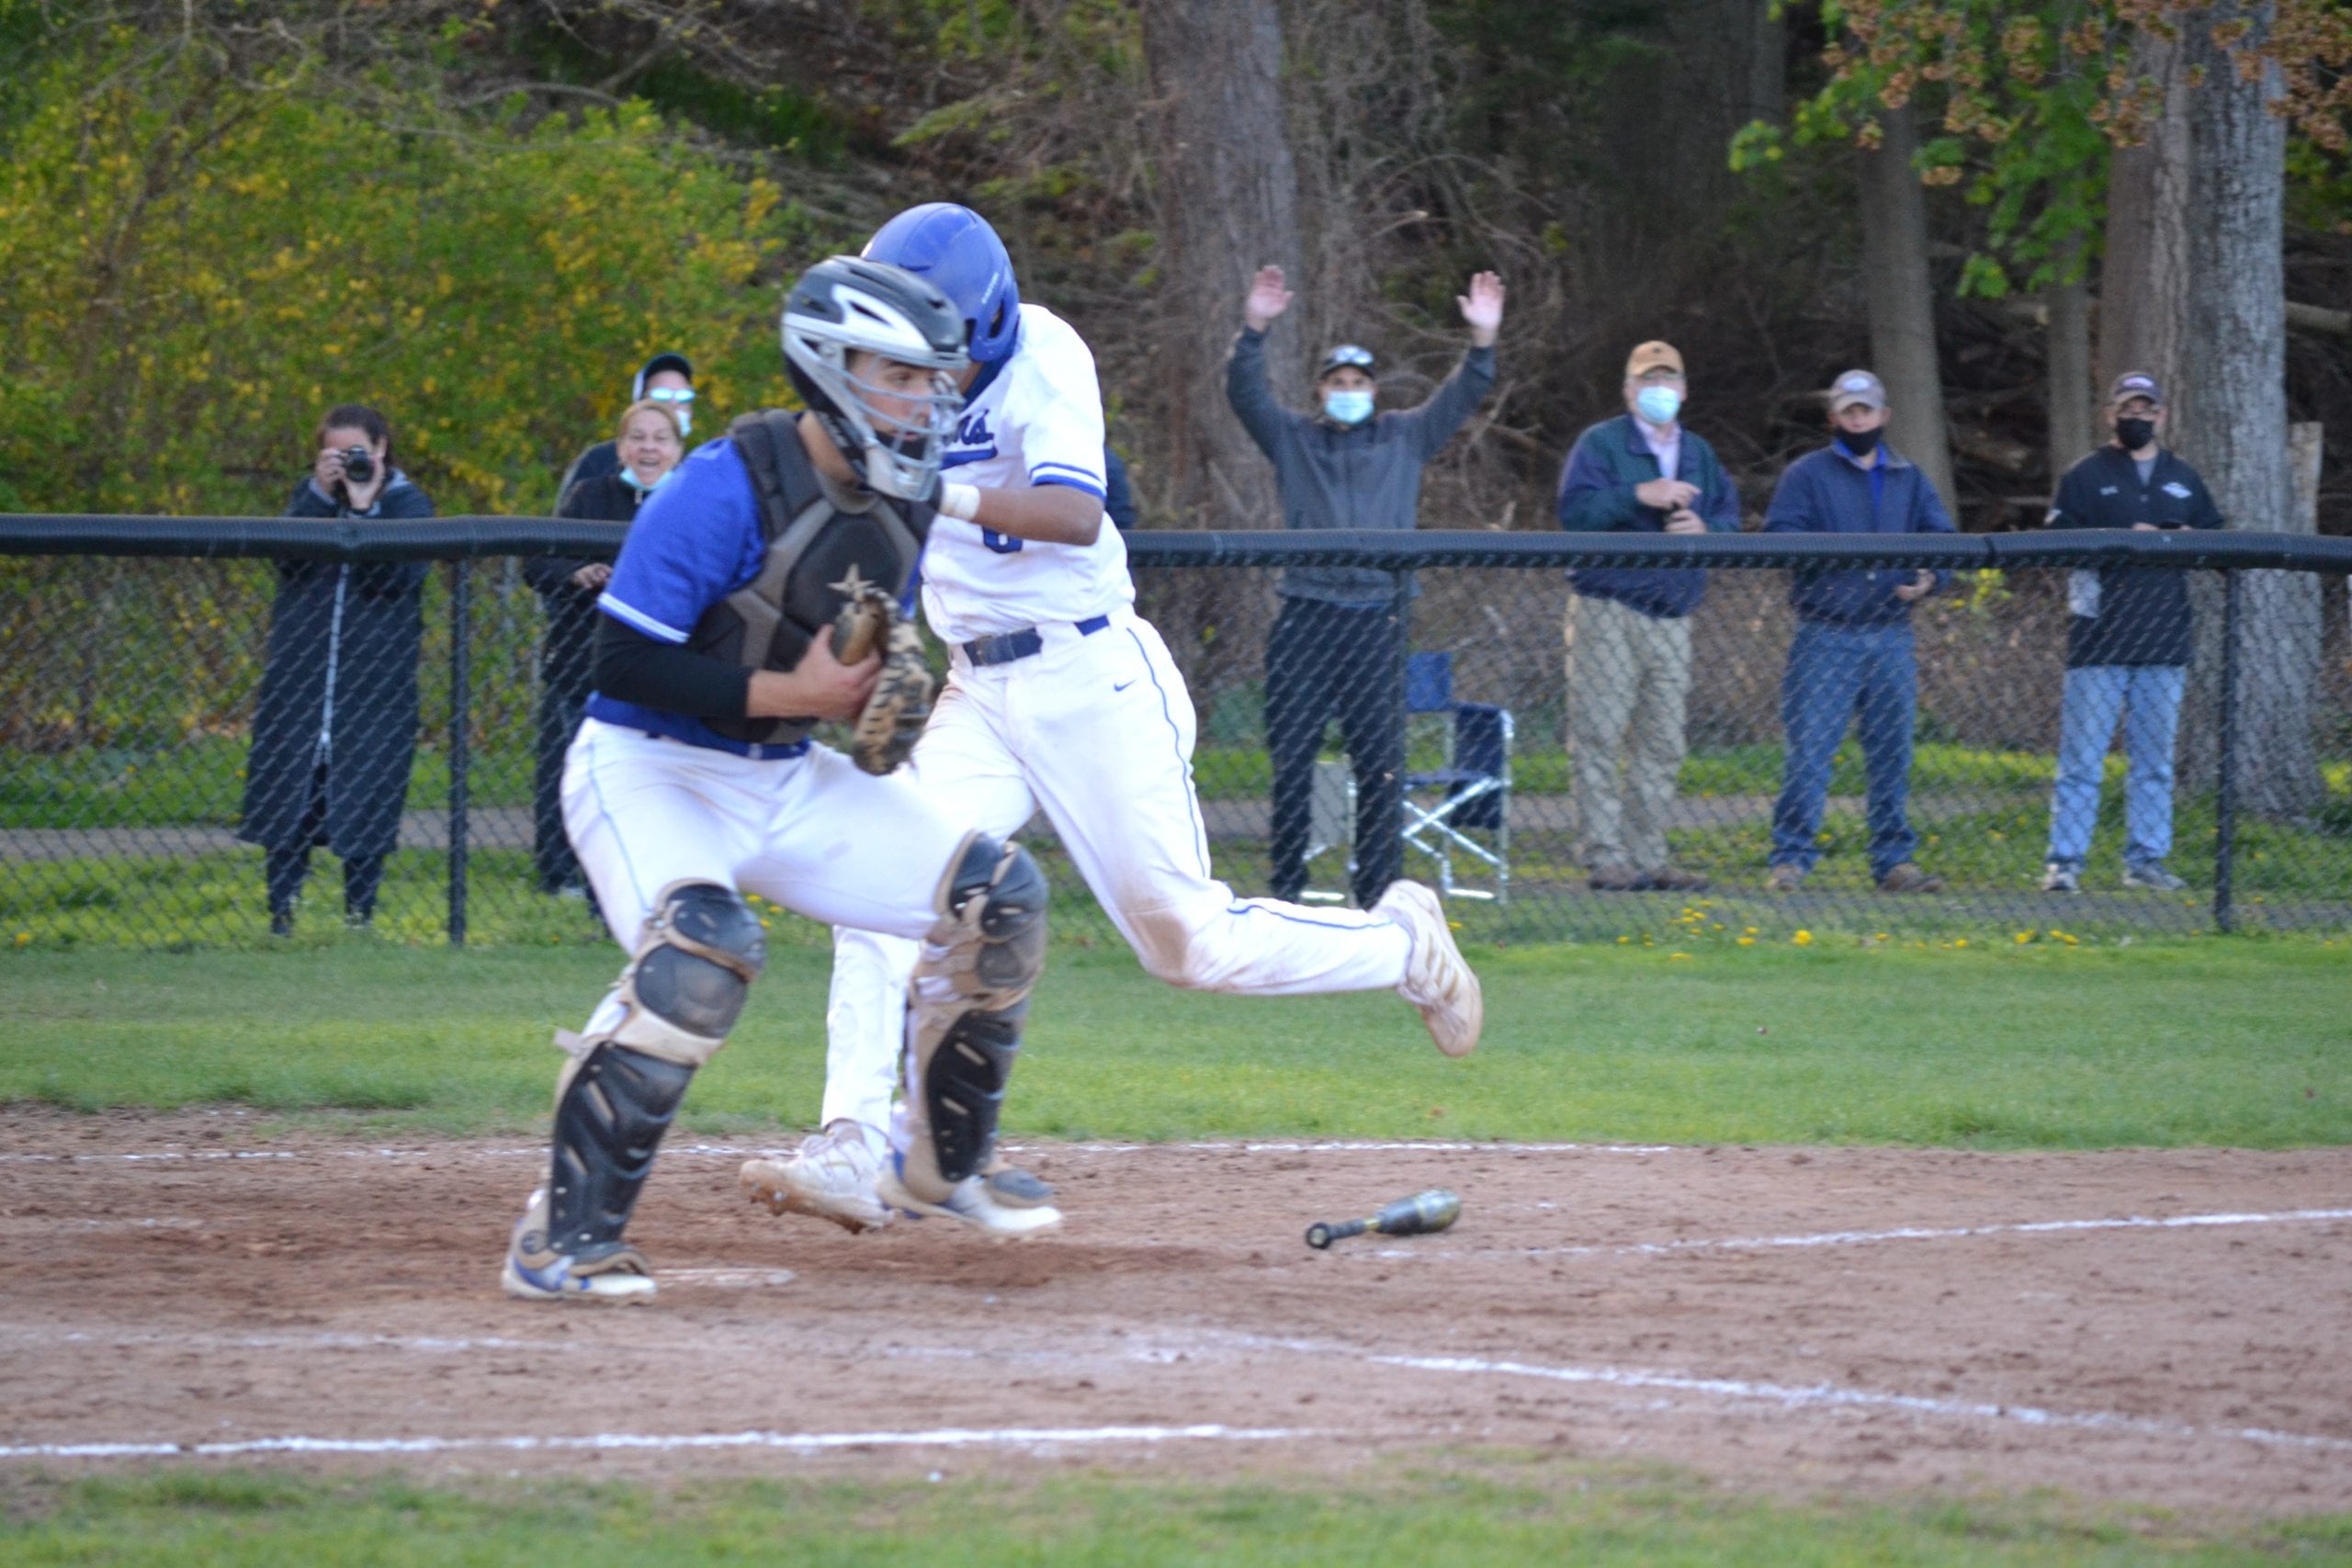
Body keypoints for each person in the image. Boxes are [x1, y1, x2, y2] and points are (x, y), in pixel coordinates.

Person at [741, 205, 1482, 1237]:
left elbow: (1073, 512)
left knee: (1186, 944)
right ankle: (852, 1145)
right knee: (877, 890)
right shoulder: (886, 385)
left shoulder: (1043, 350)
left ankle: (1399, 945)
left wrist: (933, 492)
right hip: (979, 689)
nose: (894, 355)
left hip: (1091, 676)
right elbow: (874, 549)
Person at [502, 255, 1057, 1302]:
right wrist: (798, 696)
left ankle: (936, 1164)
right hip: (648, 767)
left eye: (933, 380)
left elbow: (848, 667)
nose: (924, 400)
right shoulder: (726, 481)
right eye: (897, 376)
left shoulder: (906, 491)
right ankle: (560, 1241)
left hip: (783, 772)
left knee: (999, 900)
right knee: (701, 953)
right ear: (829, 368)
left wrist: (875, 700)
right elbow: (617, 664)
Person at [1225, 263, 1503, 908]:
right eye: (1337, 381)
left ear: (1374, 389)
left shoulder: (1405, 436)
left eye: (1358, 381)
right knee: (1293, 758)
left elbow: (1462, 396)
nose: (1348, 390)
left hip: (1378, 618)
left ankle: (1377, 893)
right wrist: (1256, 328)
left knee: (1380, 763)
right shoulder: (1293, 438)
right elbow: (1245, 394)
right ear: (1321, 390)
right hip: (1307, 615)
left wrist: (1483, 341)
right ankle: (1287, 891)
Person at [239, 406, 434, 936]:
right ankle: (281, 915)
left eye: (358, 454)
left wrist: (367, 510)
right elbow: (285, 558)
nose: (349, 464)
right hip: (303, 685)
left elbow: (399, 579)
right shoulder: (309, 505)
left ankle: (359, 919)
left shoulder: (410, 506)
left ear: (382, 449)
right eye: (336, 454)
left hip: (373, 690)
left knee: (367, 794)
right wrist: (321, 498)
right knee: (290, 794)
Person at [1555, 341, 1740, 893]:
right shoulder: (1601, 444)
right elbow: (1576, 513)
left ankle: (1648, 854)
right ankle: (1605, 854)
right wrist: (1640, 493)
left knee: (1663, 741)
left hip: (1674, 613)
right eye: (1647, 380)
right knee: (1599, 733)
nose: (1659, 390)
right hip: (1608, 607)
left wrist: (1708, 532)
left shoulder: (1700, 453)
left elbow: (1731, 517)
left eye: (1668, 380)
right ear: (1629, 390)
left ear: (1683, 389)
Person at [1763, 369, 1953, 894]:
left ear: (1884, 416)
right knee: (1811, 752)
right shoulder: (1807, 475)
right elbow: (1779, 537)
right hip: (1825, 633)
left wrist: (1930, 577)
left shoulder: (1909, 477)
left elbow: (1944, 540)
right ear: (1833, 418)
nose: (1857, 419)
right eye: (1848, 411)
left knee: (1892, 752)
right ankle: (1791, 858)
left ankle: (1893, 860)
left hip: (1891, 633)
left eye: (1865, 410)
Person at [2039, 372, 2223, 894]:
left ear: (2162, 415)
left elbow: (2216, 539)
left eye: (2147, 410)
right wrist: (2123, 539)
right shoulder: (2085, 475)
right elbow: (2057, 540)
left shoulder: (2183, 477)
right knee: (2081, 759)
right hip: (2098, 640)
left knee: (2155, 762)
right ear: (2111, 414)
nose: (2137, 418)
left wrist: (2184, 541)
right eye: (2128, 409)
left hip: (2164, 640)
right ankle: (2065, 861)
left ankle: (2146, 859)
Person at [525, 399, 686, 898]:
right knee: (568, 770)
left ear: (678, 450)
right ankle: (559, 876)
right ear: (620, 447)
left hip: (656, 671)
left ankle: (642, 879)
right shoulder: (588, 496)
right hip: (580, 664)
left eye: (661, 438)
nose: (649, 448)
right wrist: (578, 574)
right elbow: (539, 565)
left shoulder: (687, 503)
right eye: (638, 437)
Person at [556, 352, 695, 508]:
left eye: (684, 397)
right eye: (662, 397)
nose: (674, 405)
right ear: (639, 404)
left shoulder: (700, 474)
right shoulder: (596, 463)